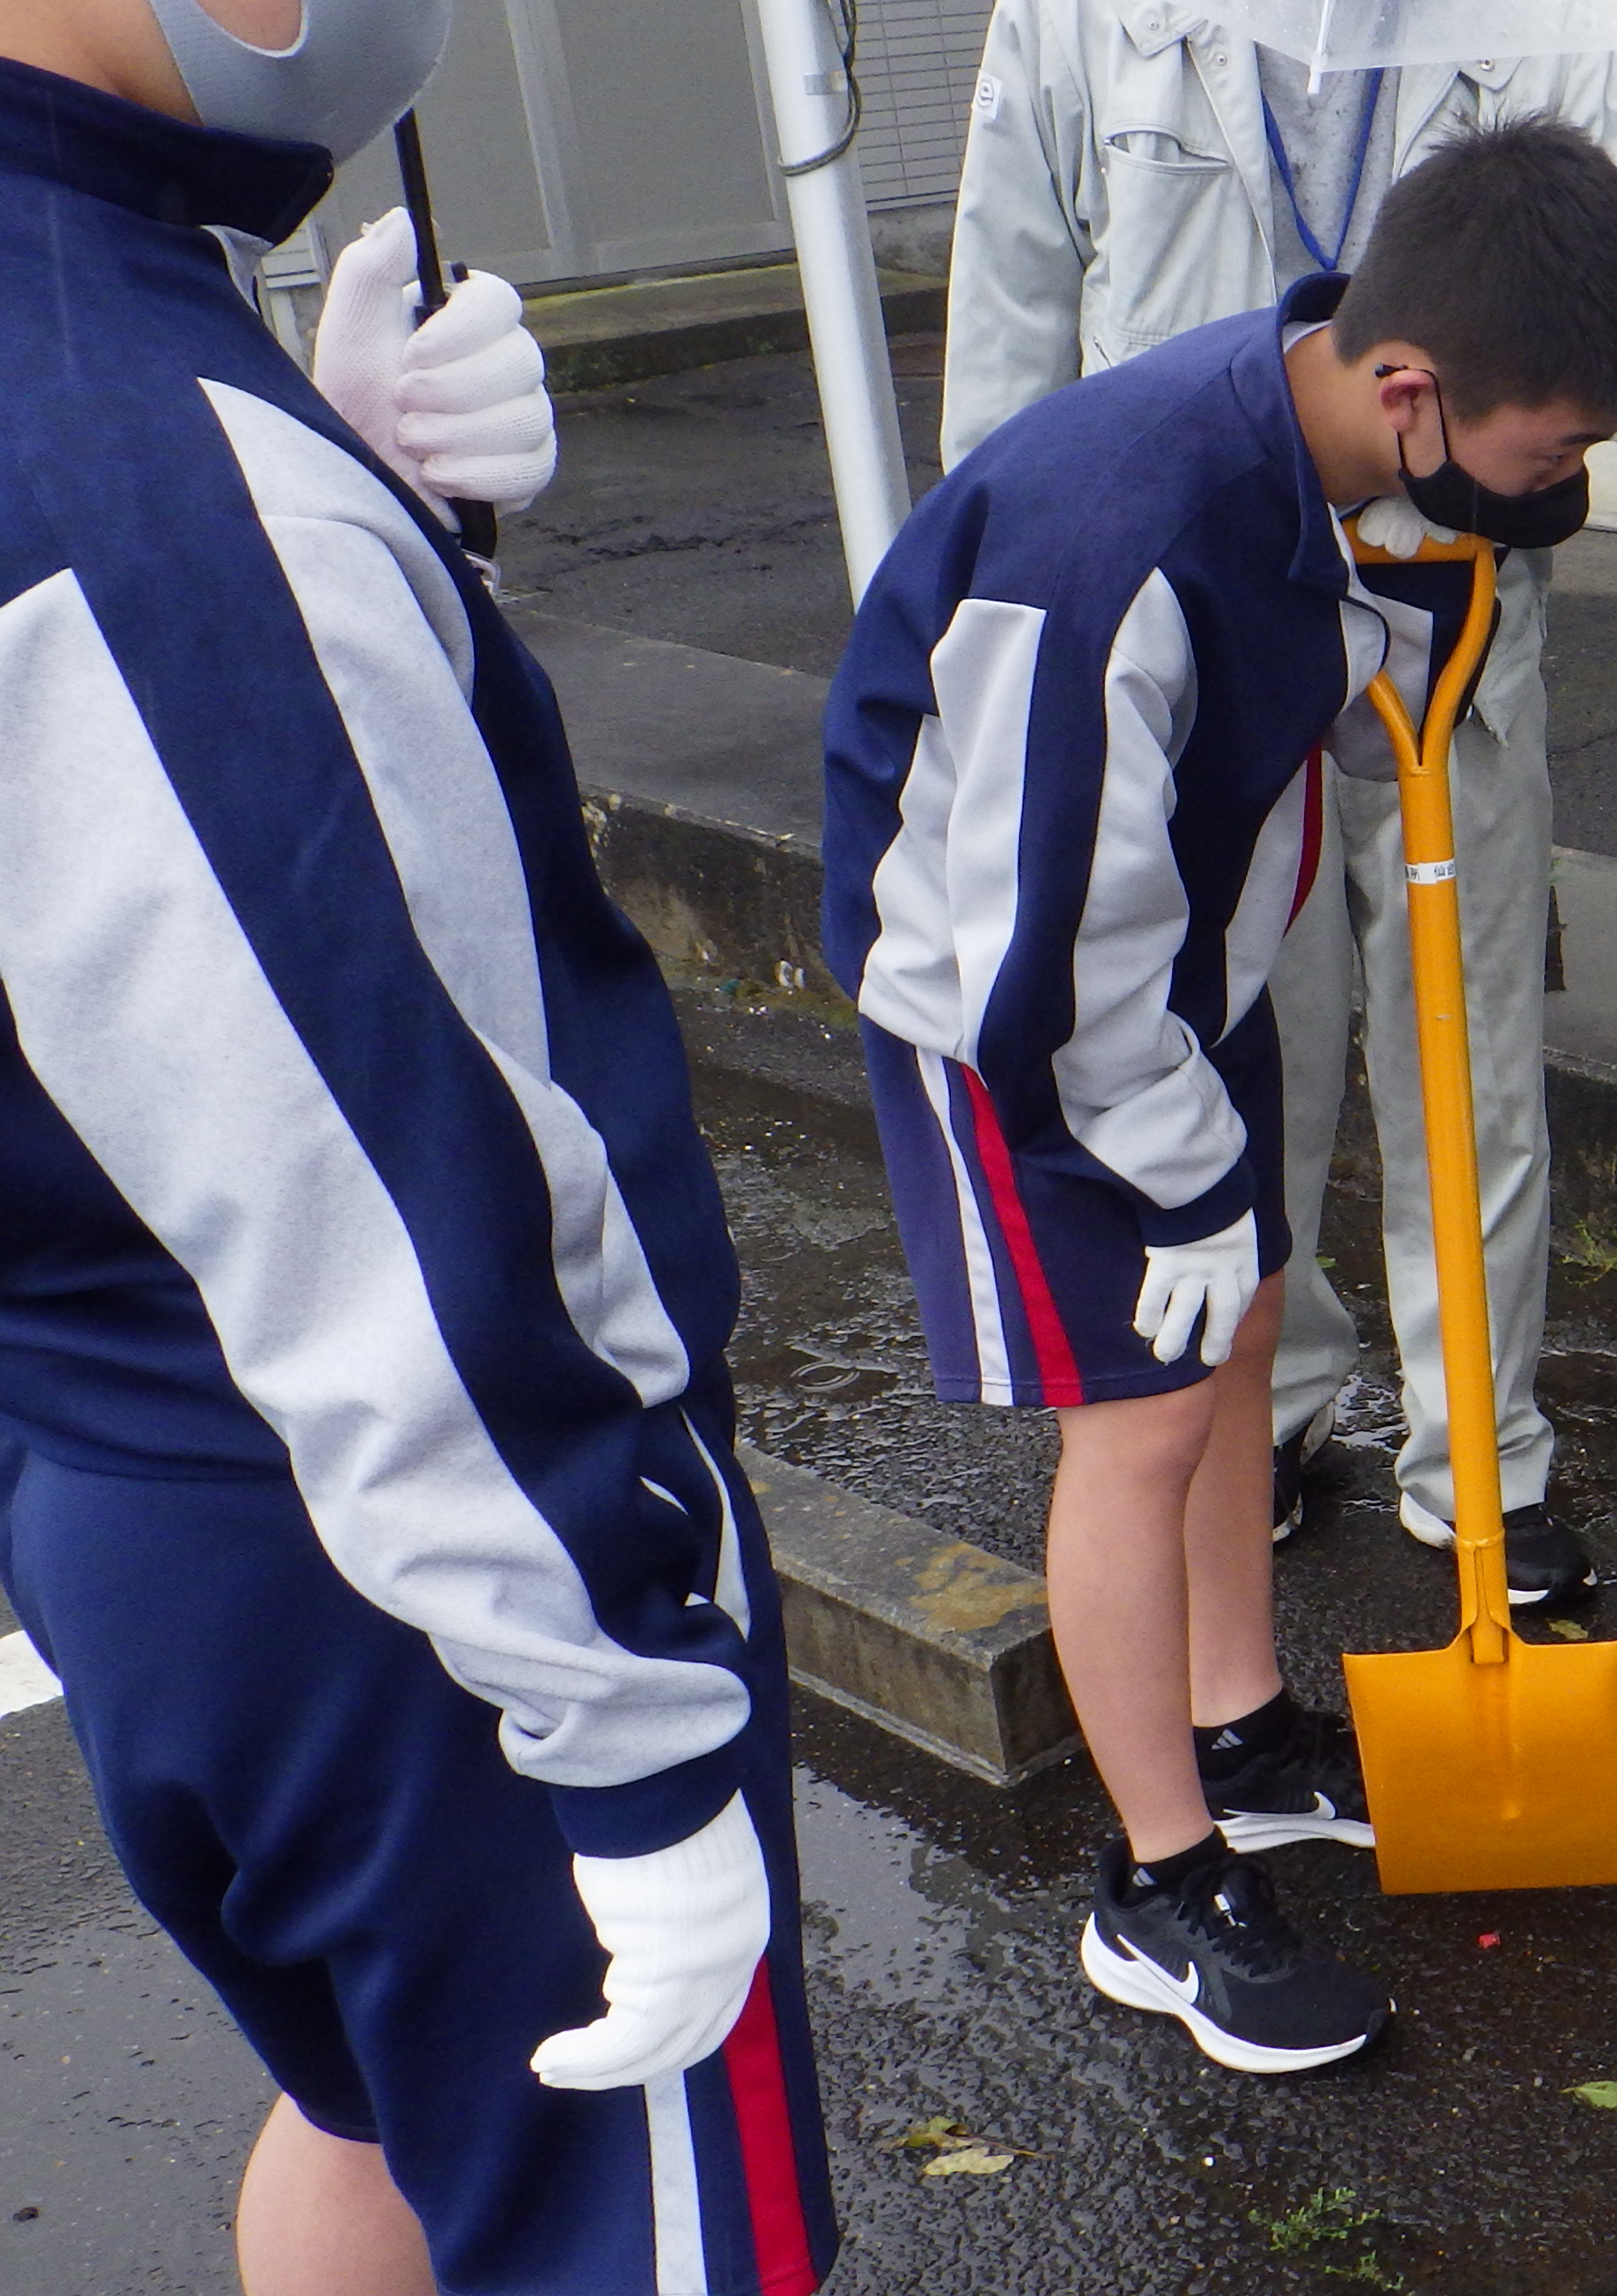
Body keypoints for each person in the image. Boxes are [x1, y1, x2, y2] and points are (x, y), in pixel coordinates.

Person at [828, 120, 1617, 2075]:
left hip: (1172, 966)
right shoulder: (1115, 534)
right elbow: (1038, 942)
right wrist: (1181, 1172)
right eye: (1550, 453)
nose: (1555, 488)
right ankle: (1152, 1882)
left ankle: (1237, 1731)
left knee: (1227, 1366)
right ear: (1417, 395)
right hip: (1015, 1021)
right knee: (1135, 1420)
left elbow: (1299, 679)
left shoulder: (1313, 432)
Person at [0, 2, 834, 2290]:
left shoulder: (96, 337)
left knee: (361, 2113)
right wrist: (640, 1738)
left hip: (131, 1486)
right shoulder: (138, 466)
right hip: (412, 1587)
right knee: (647, 2246)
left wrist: (370, 508)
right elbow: (397, 1214)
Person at [945, 0, 1617, 1593]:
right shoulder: (1087, 19)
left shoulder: (1527, 25)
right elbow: (1013, 317)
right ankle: (1277, 1405)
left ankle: (1481, 1461)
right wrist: (1003, 616)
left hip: (1460, 616)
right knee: (1248, 1050)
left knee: (1472, 1056)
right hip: (1207, 633)